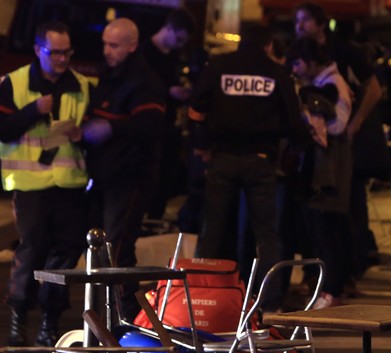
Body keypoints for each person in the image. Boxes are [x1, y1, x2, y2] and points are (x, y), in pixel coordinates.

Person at [188, 24, 309, 311]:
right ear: (268, 44)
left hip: (222, 157)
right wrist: (301, 145)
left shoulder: (219, 66)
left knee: (212, 230)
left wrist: (202, 144)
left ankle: (196, 298)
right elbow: (293, 121)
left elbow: (196, 109)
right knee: (266, 234)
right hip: (261, 161)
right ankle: (270, 301)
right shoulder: (276, 73)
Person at [0, 20, 89, 347]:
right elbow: (2, 130)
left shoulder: (80, 85)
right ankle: (19, 314)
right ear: (39, 50)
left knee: (65, 253)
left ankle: (50, 318)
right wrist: (32, 111)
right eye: (56, 52)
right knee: (32, 248)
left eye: (67, 52)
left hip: (69, 183)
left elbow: (89, 129)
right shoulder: (14, 82)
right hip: (30, 183)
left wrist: (83, 136)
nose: (63, 59)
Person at [294, 3, 388, 288]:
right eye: (297, 21)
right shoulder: (304, 53)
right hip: (325, 146)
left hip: (345, 141)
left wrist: (355, 123)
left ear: (322, 23)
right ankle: (323, 273)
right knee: (321, 212)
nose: (300, 26)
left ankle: (347, 271)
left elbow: (373, 89)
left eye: (305, 20)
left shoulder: (344, 52)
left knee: (345, 208)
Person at [82, 18, 165, 320]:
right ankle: (113, 313)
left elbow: (152, 125)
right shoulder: (109, 76)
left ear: (132, 45)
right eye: (105, 43)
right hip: (105, 174)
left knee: (118, 247)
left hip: (131, 176)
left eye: (114, 45)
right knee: (105, 247)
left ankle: (127, 315)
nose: (106, 50)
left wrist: (111, 128)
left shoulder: (144, 81)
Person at [288, 36, 353, 308]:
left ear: (312, 62)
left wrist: (312, 118)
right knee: (319, 230)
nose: (296, 67)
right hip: (322, 167)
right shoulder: (318, 83)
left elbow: (338, 125)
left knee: (328, 230)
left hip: (331, 167)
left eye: (299, 62)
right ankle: (326, 288)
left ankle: (332, 290)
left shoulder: (333, 84)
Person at [141, 8, 196, 220]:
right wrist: (168, 91)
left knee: (167, 170)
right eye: (180, 39)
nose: (180, 45)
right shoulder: (145, 52)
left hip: (169, 121)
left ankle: (156, 213)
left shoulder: (172, 55)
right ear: (170, 29)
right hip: (151, 123)